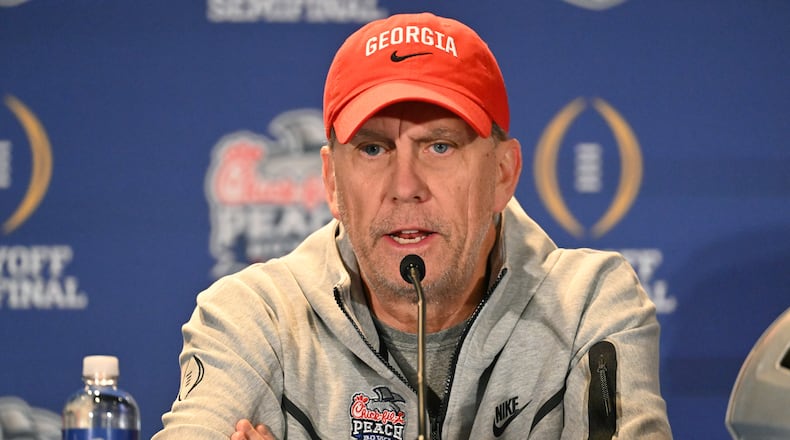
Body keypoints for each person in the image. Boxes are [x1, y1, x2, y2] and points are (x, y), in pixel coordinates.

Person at [153, 12, 672, 440]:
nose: (405, 185)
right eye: (374, 148)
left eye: (439, 146)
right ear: (332, 180)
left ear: (503, 173)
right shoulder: (254, 317)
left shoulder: (589, 306)